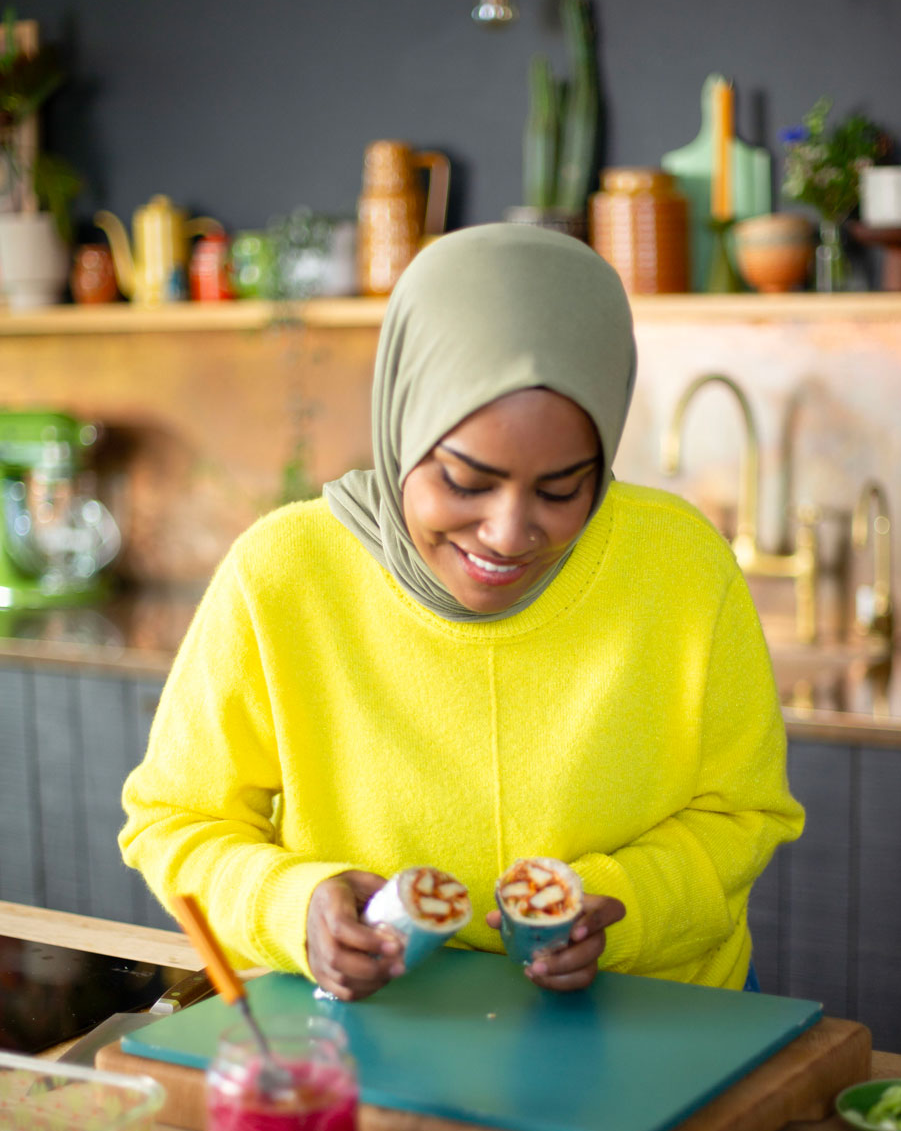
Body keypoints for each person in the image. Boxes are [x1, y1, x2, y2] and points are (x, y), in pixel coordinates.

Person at [120, 223, 803, 1002]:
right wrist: (293, 905)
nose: (510, 534)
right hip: (380, 1032)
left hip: (657, 1017)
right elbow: (173, 822)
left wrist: (630, 906)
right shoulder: (282, 575)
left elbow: (743, 814)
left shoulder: (682, 565)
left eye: (562, 489)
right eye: (465, 481)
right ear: (403, 426)